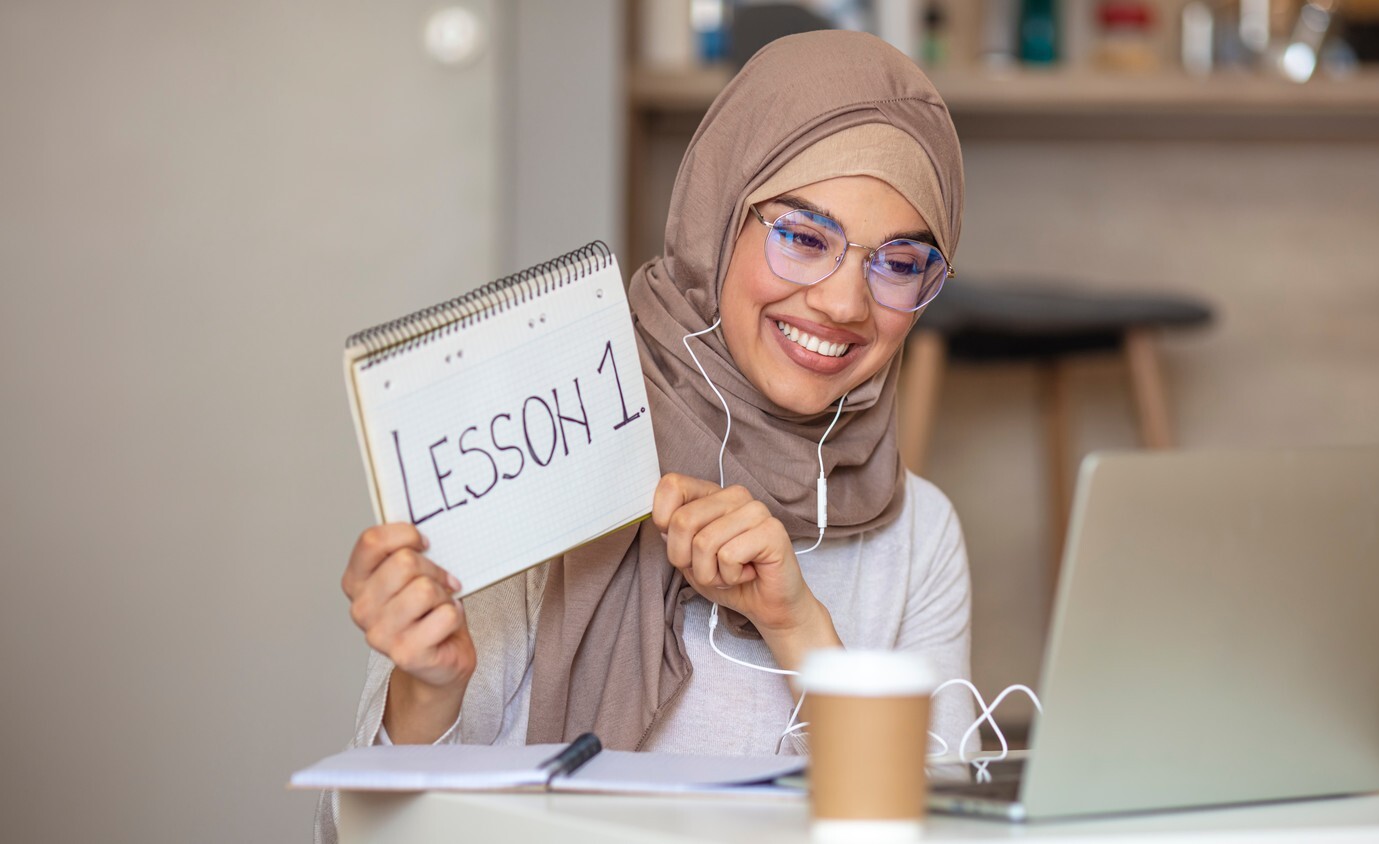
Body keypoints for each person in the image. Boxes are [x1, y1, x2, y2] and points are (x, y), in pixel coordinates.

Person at [316, 29, 973, 840]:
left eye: (899, 263)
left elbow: (947, 830)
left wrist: (799, 626)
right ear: (716, 220)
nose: (843, 304)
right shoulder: (545, 455)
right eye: (803, 238)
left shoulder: (916, 535)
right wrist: (425, 694)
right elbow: (356, 835)